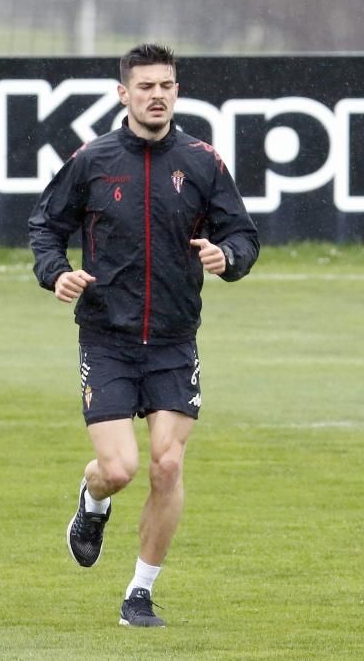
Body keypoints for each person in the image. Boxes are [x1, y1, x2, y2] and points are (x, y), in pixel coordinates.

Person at [28, 43, 259, 627]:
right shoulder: (93, 160)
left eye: (167, 85)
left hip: (176, 341)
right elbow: (45, 225)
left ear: (176, 91)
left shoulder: (203, 162)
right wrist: (56, 272)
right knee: (120, 469)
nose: (157, 95)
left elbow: (245, 237)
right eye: (146, 86)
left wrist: (226, 254)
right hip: (106, 338)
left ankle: (139, 593)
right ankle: (92, 501)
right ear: (122, 93)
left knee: (167, 464)